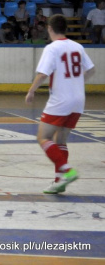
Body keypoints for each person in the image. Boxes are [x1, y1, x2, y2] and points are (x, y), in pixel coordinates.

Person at [25, 14, 95, 194]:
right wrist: (77, 82)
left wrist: (31, 90)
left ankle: (66, 169)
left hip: (60, 100)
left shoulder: (52, 48)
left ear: (49, 28)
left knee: (43, 137)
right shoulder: (77, 46)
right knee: (61, 139)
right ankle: (59, 181)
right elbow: (91, 69)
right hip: (78, 100)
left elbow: (42, 74)